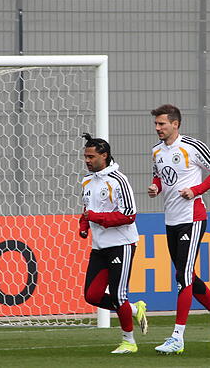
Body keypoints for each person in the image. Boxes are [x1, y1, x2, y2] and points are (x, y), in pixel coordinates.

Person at [147, 104, 210, 355]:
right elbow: (158, 178)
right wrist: (155, 188)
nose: (158, 128)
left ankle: (177, 337)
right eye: (156, 124)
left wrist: (195, 191)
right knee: (185, 275)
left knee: (183, 276)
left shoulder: (193, 146)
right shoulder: (156, 151)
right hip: (171, 219)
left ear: (175, 124)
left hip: (193, 218)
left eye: (162, 124)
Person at [78, 133, 148, 354]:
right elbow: (86, 211)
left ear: (104, 156)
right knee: (92, 295)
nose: (87, 161)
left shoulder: (119, 180)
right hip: (99, 246)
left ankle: (129, 341)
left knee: (118, 295)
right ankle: (134, 309)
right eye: (85, 157)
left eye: (91, 156)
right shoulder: (87, 181)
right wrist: (84, 225)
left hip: (121, 244)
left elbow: (129, 215)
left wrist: (96, 218)